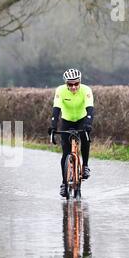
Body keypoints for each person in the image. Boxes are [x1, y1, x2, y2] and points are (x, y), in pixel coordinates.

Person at [48, 68, 94, 198]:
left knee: (85, 139)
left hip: (82, 119)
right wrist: (53, 126)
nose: (73, 87)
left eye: (76, 84)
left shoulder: (86, 90)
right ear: (66, 83)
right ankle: (64, 183)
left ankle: (85, 166)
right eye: (70, 84)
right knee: (66, 153)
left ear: (80, 82)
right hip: (67, 120)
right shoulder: (60, 91)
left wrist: (88, 124)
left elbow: (90, 109)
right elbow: (56, 110)